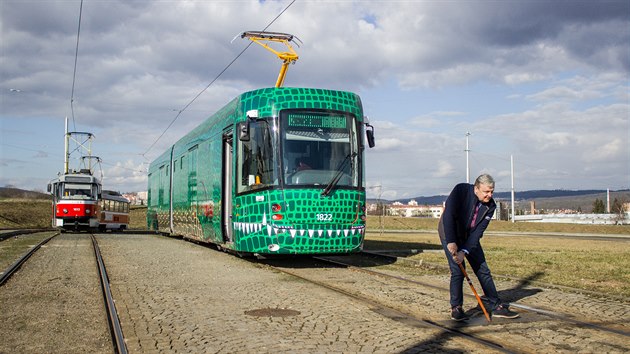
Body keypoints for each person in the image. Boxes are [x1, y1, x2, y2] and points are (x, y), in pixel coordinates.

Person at [438, 174, 519, 321]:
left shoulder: (491, 206)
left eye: (492, 191)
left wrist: (465, 250)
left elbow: (478, 232)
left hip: (469, 237)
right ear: (476, 188)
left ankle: (495, 305)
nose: (490, 195)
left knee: (483, 269)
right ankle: (456, 307)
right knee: (458, 271)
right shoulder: (460, 190)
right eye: (486, 192)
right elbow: (448, 215)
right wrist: (451, 241)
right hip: (449, 233)